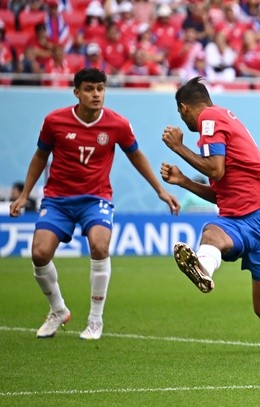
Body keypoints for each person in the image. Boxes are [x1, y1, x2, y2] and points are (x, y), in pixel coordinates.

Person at [9, 68, 180, 340]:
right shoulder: (54, 121)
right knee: (39, 254)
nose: (96, 94)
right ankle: (58, 310)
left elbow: (137, 156)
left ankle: (95, 319)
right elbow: (40, 157)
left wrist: (160, 190)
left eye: (100, 89)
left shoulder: (117, 125)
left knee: (100, 245)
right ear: (77, 92)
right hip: (58, 199)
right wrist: (23, 195)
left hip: (96, 198)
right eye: (89, 89)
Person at [160, 77, 260, 351]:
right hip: (235, 219)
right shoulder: (220, 121)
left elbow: (215, 170)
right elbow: (221, 190)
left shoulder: (210, 119)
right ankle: (202, 268)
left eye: (180, 114)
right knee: (211, 232)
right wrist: (184, 181)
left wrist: (178, 147)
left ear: (184, 108)